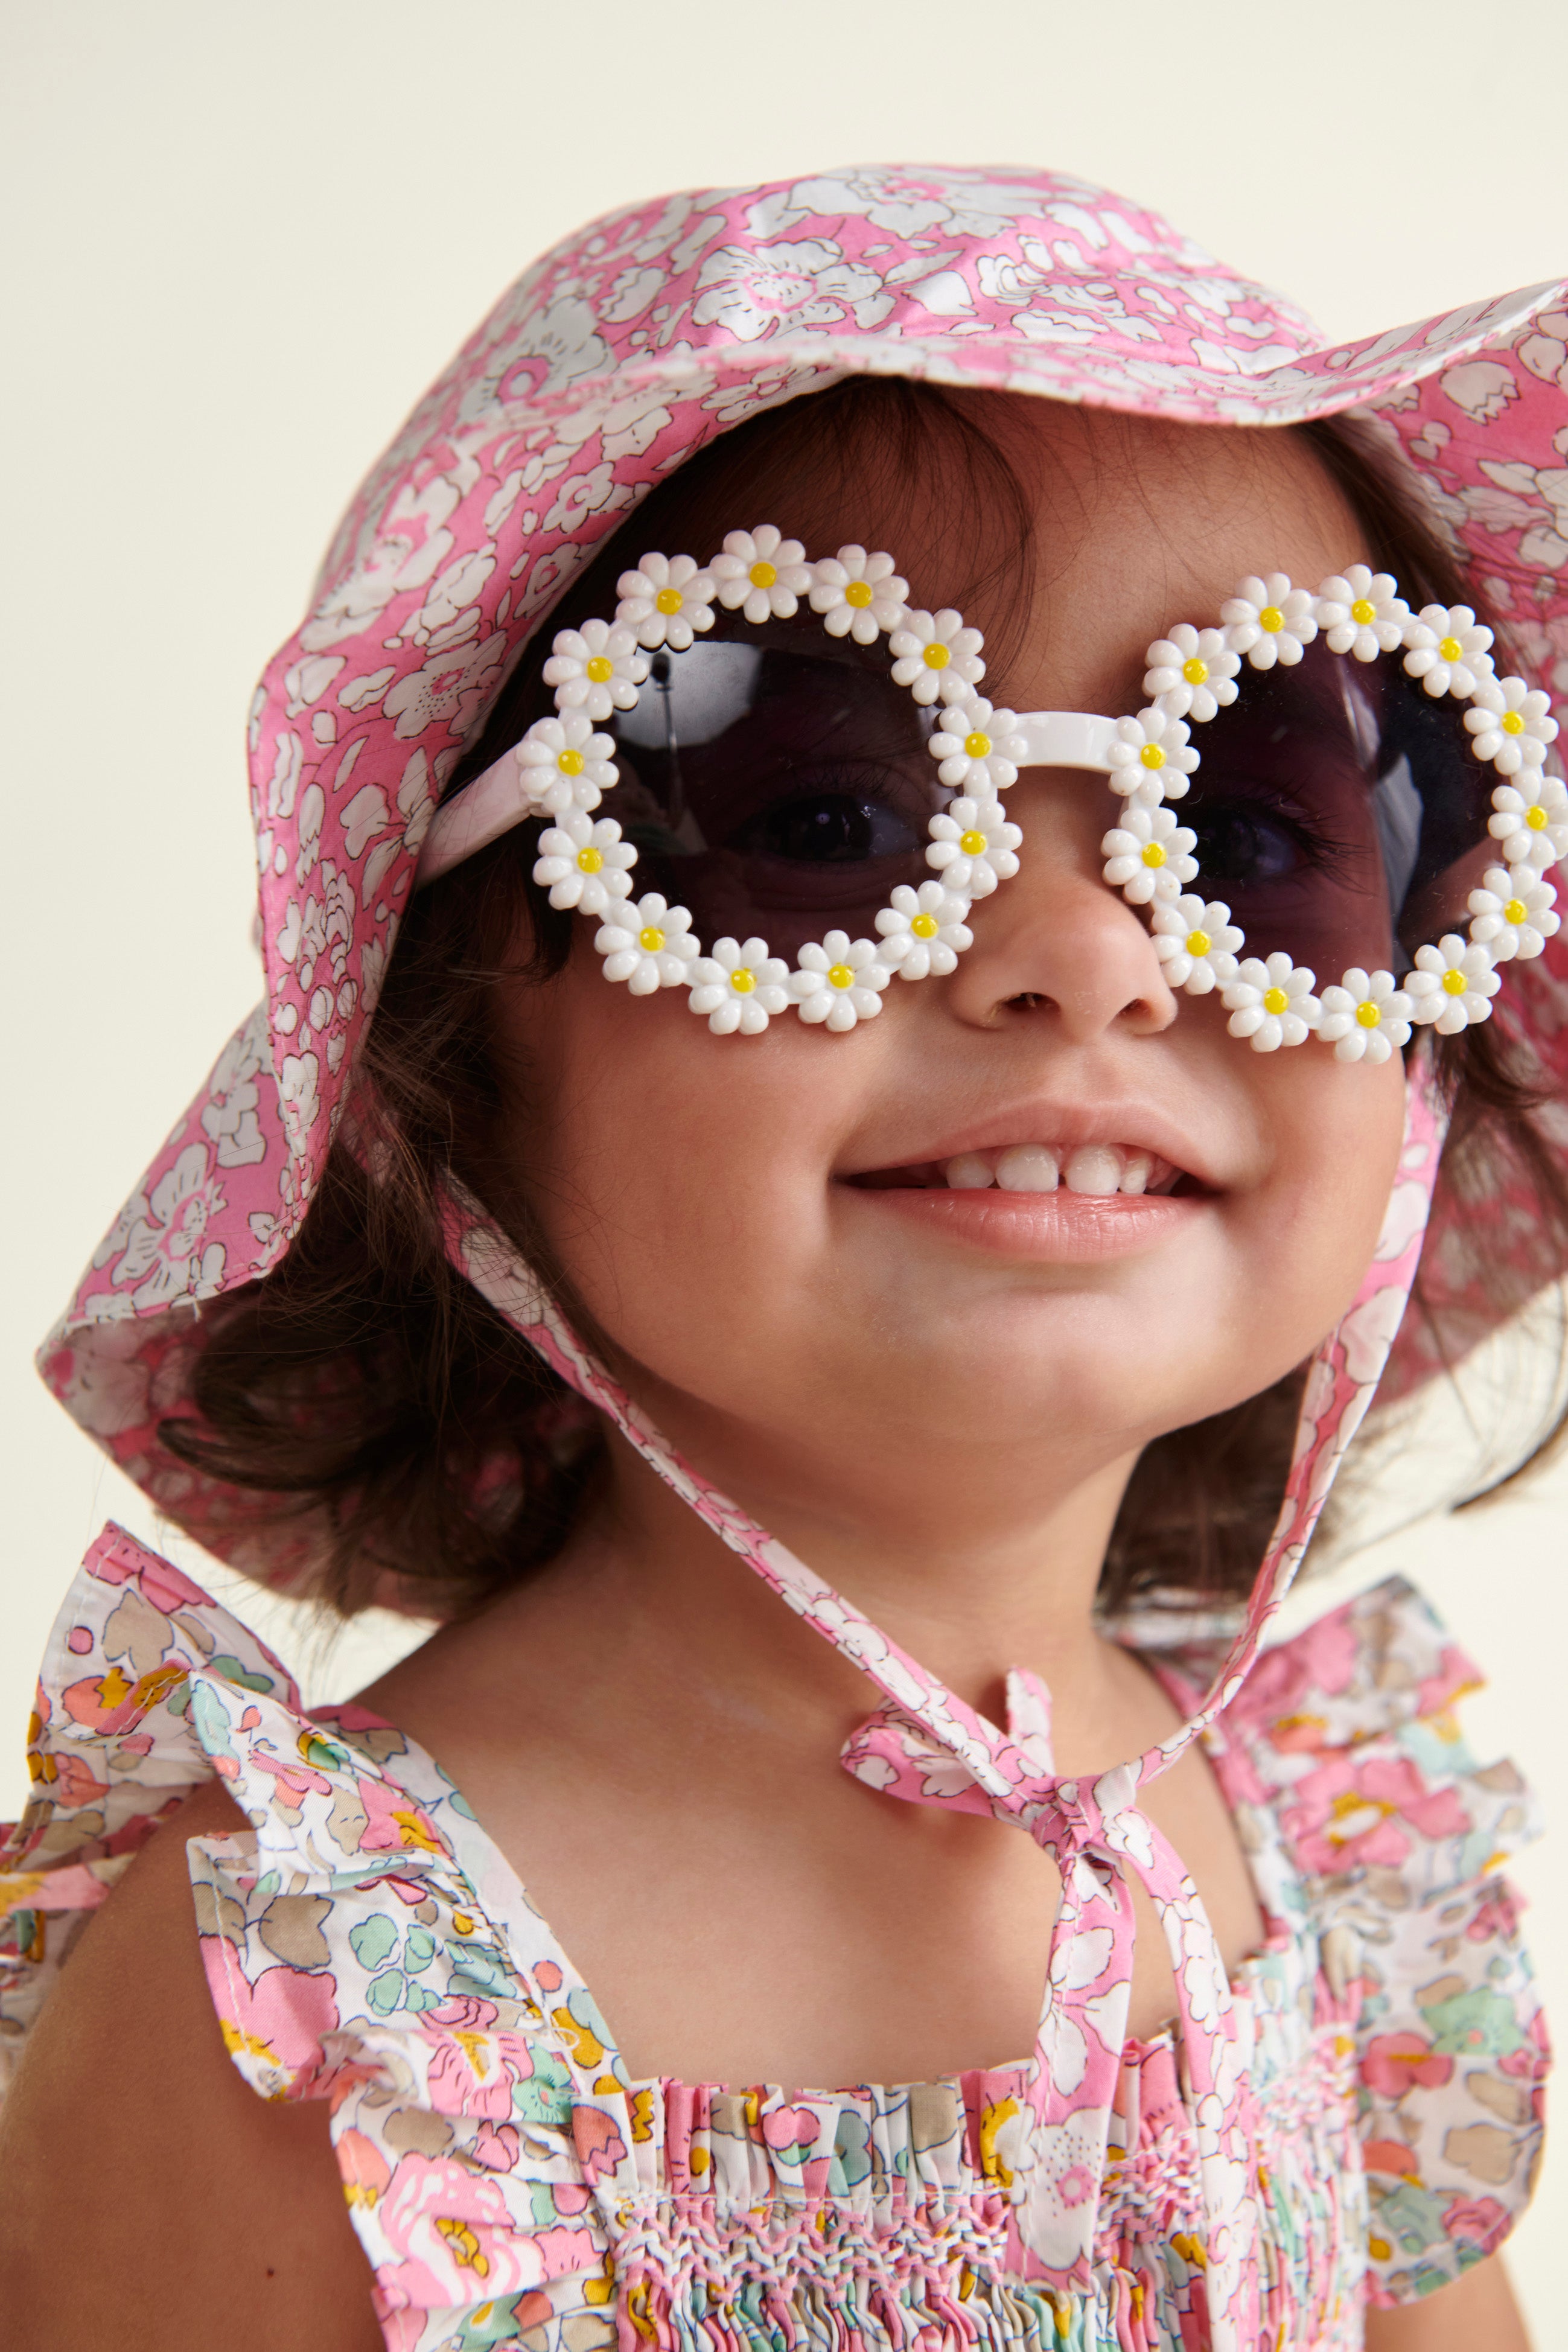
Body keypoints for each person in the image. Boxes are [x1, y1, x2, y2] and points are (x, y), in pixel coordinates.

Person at [1, 165, 1563, 2351]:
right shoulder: (313, 2003)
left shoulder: (1310, 1843)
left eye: (1263, 827)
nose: (1082, 952)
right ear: (454, 1036)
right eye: (824, 819)